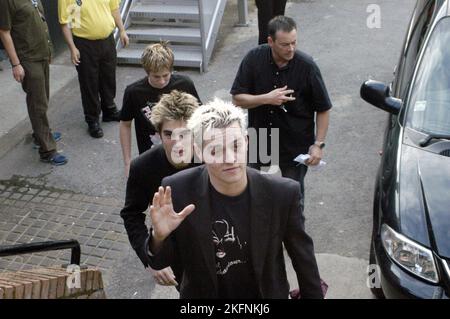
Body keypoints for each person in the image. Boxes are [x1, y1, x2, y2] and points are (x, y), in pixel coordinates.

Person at [146, 99, 323, 298]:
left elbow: (304, 261)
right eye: (215, 150)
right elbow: (160, 263)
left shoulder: (282, 194)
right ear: (197, 151)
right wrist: (158, 238)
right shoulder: (178, 190)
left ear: (247, 141)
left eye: (236, 145)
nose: (230, 158)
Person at [230, 15, 332, 211]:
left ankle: (294, 238)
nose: (291, 49)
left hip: (294, 143)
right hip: (259, 137)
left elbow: (323, 108)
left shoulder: (307, 66)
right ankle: (255, 235)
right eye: (285, 44)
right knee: (248, 193)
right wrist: (267, 98)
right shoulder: (253, 59)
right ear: (270, 41)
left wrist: (318, 144)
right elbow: (237, 98)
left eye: (294, 42)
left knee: (294, 200)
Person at [120, 90, 200, 288]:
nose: (177, 142)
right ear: (158, 133)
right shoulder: (143, 166)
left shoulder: (213, 157)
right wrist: (150, 257)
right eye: (168, 134)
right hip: (176, 255)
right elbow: (132, 214)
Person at [0, 0, 68, 165]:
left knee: (42, 98)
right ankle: (47, 150)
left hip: (42, 53)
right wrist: (16, 64)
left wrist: (49, 50)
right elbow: (4, 32)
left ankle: (41, 134)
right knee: (38, 103)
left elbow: (40, 20)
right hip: (28, 58)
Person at [119, 42, 201, 177]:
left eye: (166, 75)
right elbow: (125, 124)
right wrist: (128, 162)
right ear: (147, 72)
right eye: (156, 77)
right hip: (153, 157)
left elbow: (199, 117)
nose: (162, 81)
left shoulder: (185, 84)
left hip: (185, 154)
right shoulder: (134, 92)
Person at [58, 0, 129, 138]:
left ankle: (109, 110)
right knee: (89, 83)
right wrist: (72, 48)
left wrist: (122, 30)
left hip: (108, 40)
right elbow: (66, 23)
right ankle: (92, 119)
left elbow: (114, 9)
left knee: (108, 77)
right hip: (84, 44)